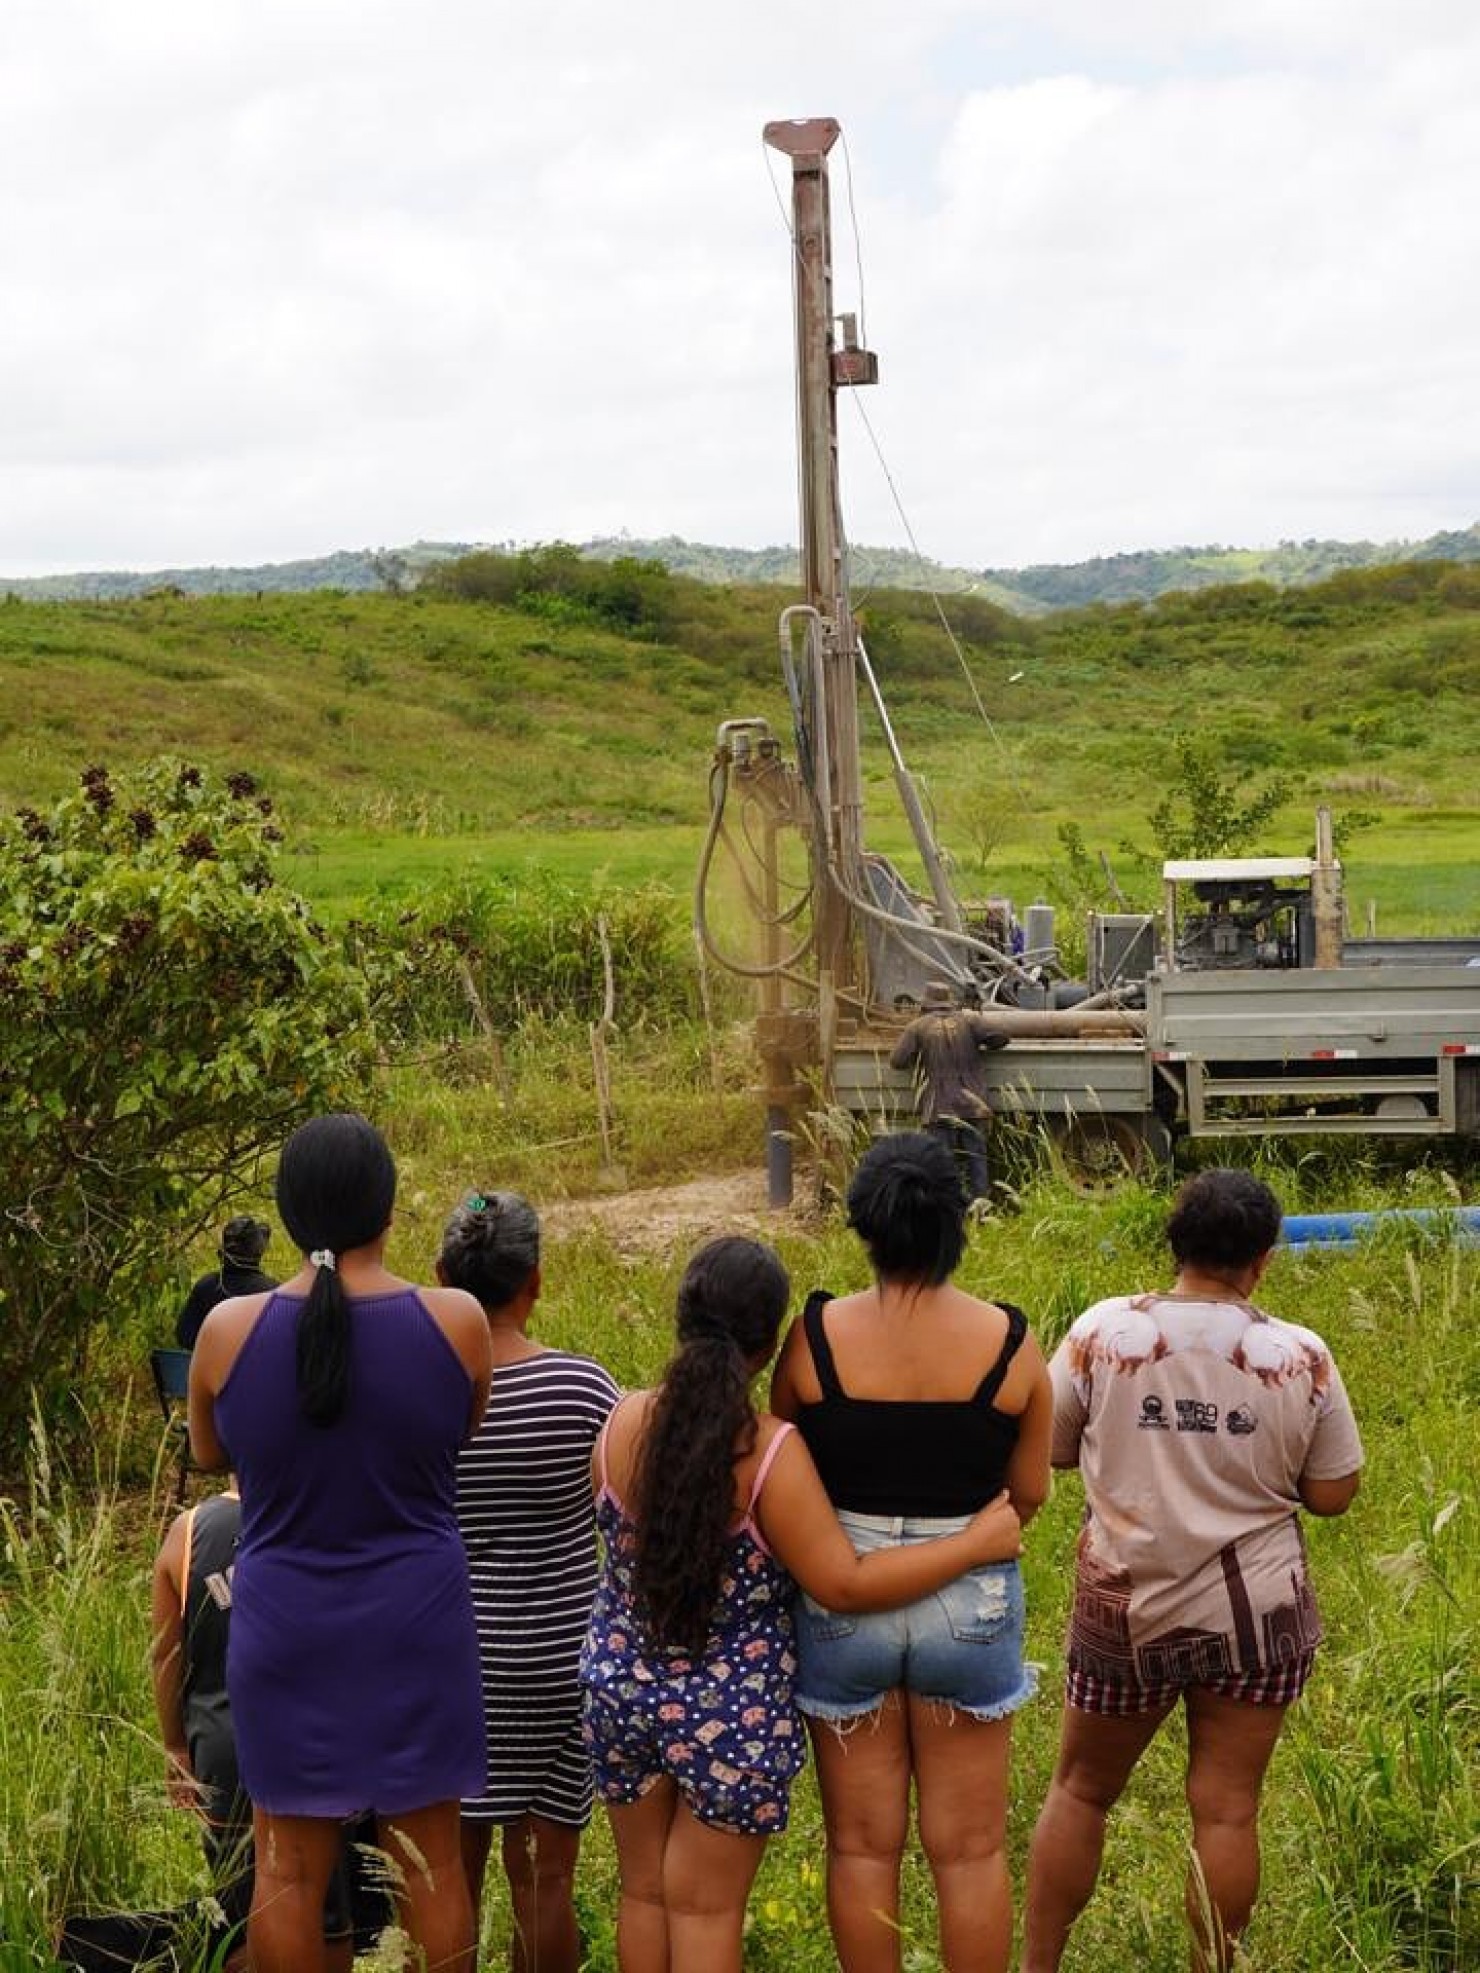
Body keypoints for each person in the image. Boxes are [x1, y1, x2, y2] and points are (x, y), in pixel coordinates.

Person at [580, 1235, 1023, 1973]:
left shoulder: (620, 1422)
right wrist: (973, 1545)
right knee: (703, 1909)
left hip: (620, 1691)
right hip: (729, 1716)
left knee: (645, 1894)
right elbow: (842, 1582)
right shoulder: (768, 1454)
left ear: (680, 1317)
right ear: (769, 1344)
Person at [1022, 1168, 1364, 1973]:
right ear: (1263, 1259)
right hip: (1257, 1622)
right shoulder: (1302, 1354)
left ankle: (1037, 1967)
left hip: (1126, 1611)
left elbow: (1049, 1446)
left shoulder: (1103, 1330)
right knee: (1228, 1808)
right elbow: (1333, 1493)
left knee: (1080, 1789)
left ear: (1174, 1244)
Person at [188, 1112, 493, 1973]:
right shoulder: (457, 1321)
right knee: (432, 1868)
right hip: (418, 1625)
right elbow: (460, 1430)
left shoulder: (227, 1331)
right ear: (389, 1208)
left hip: (286, 1630)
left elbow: (210, 1451)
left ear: (287, 1214)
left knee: (286, 1868)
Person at [770, 1130, 1053, 1973]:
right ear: (955, 1223)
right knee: (969, 1850)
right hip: (971, 1599)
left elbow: (783, 1464)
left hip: (841, 1598)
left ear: (865, 1225)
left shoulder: (813, 1338)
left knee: (862, 1847)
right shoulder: (1010, 1342)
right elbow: (1029, 1491)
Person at [439, 1189, 619, 1973]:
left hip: (453, 1666)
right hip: (560, 1663)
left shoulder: (426, 1395)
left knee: (445, 1879)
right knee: (545, 1878)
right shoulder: (583, 1389)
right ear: (536, 1279)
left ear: (442, 1275)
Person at [888, 981, 1010, 1201]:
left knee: (941, 1164)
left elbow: (897, 1061)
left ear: (926, 1003)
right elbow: (1001, 1038)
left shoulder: (917, 1027)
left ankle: (947, 1207)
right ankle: (980, 1208)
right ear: (949, 1001)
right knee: (977, 1160)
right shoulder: (970, 1020)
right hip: (974, 1104)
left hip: (939, 1106)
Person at [176, 1215, 277, 1349]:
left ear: (223, 1253)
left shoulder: (207, 1286)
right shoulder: (274, 1293)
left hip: (212, 1360)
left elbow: (185, 1337)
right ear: (258, 1252)